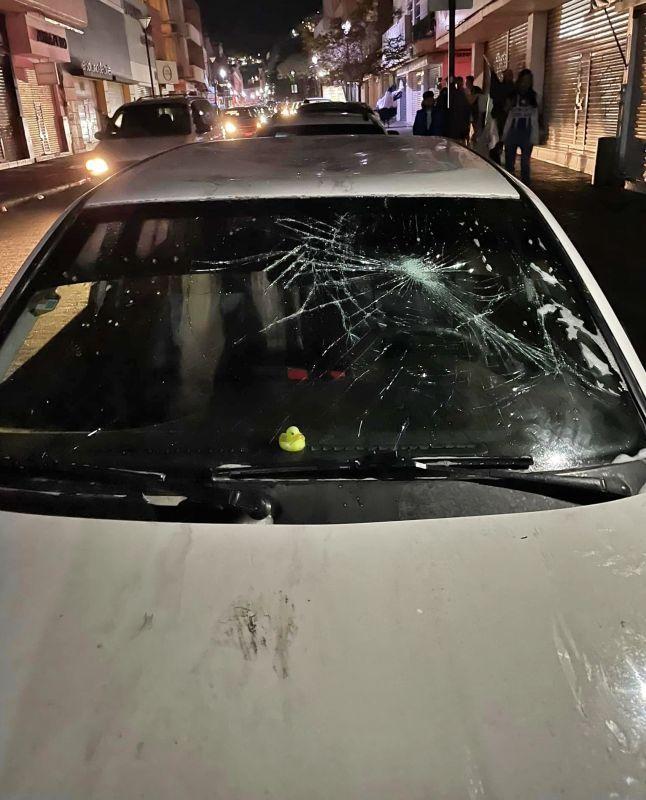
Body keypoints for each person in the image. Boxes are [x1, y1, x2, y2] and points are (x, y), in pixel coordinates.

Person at [503, 68, 540, 184]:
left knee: (525, 163)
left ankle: (526, 188)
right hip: (512, 132)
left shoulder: (534, 96)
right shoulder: (513, 95)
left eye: (529, 80)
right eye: (524, 80)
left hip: (527, 133)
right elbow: (505, 110)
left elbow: (537, 115)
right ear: (520, 81)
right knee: (509, 163)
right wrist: (510, 104)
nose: (526, 83)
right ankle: (510, 185)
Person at [487, 59, 516, 163]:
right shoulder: (505, 87)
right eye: (508, 75)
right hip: (500, 116)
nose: (510, 77)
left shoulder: (513, 88)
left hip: (508, 117)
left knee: (504, 138)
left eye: (510, 75)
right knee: (499, 137)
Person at [445, 77, 471, 144]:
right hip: (457, 122)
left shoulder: (464, 92)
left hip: (461, 121)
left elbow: (467, 108)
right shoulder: (454, 93)